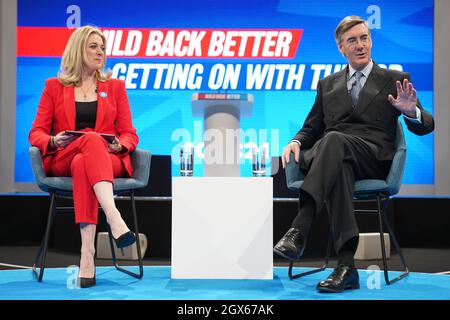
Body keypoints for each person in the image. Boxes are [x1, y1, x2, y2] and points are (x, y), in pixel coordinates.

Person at [273, 16, 434, 293]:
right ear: (341, 48)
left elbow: (427, 125)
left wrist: (412, 112)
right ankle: (346, 267)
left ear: (370, 40)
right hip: (335, 159)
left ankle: (300, 227)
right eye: (352, 40)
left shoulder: (394, 80)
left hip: (372, 158)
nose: (360, 45)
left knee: (334, 142)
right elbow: (311, 127)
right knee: (337, 160)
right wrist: (296, 141)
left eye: (364, 38)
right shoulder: (327, 84)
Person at [29, 26, 139, 288]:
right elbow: (36, 132)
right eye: (93, 46)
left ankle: (87, 256)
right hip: (64, 157)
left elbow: (130, 134)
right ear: (78, 49)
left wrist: (118, 146)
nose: (100, 51)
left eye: (102, 47)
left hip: (107, 160)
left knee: (85, 159)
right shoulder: (53, 87)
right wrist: (54, 140)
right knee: (88, 140)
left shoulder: (115, 87)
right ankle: (114, 218)